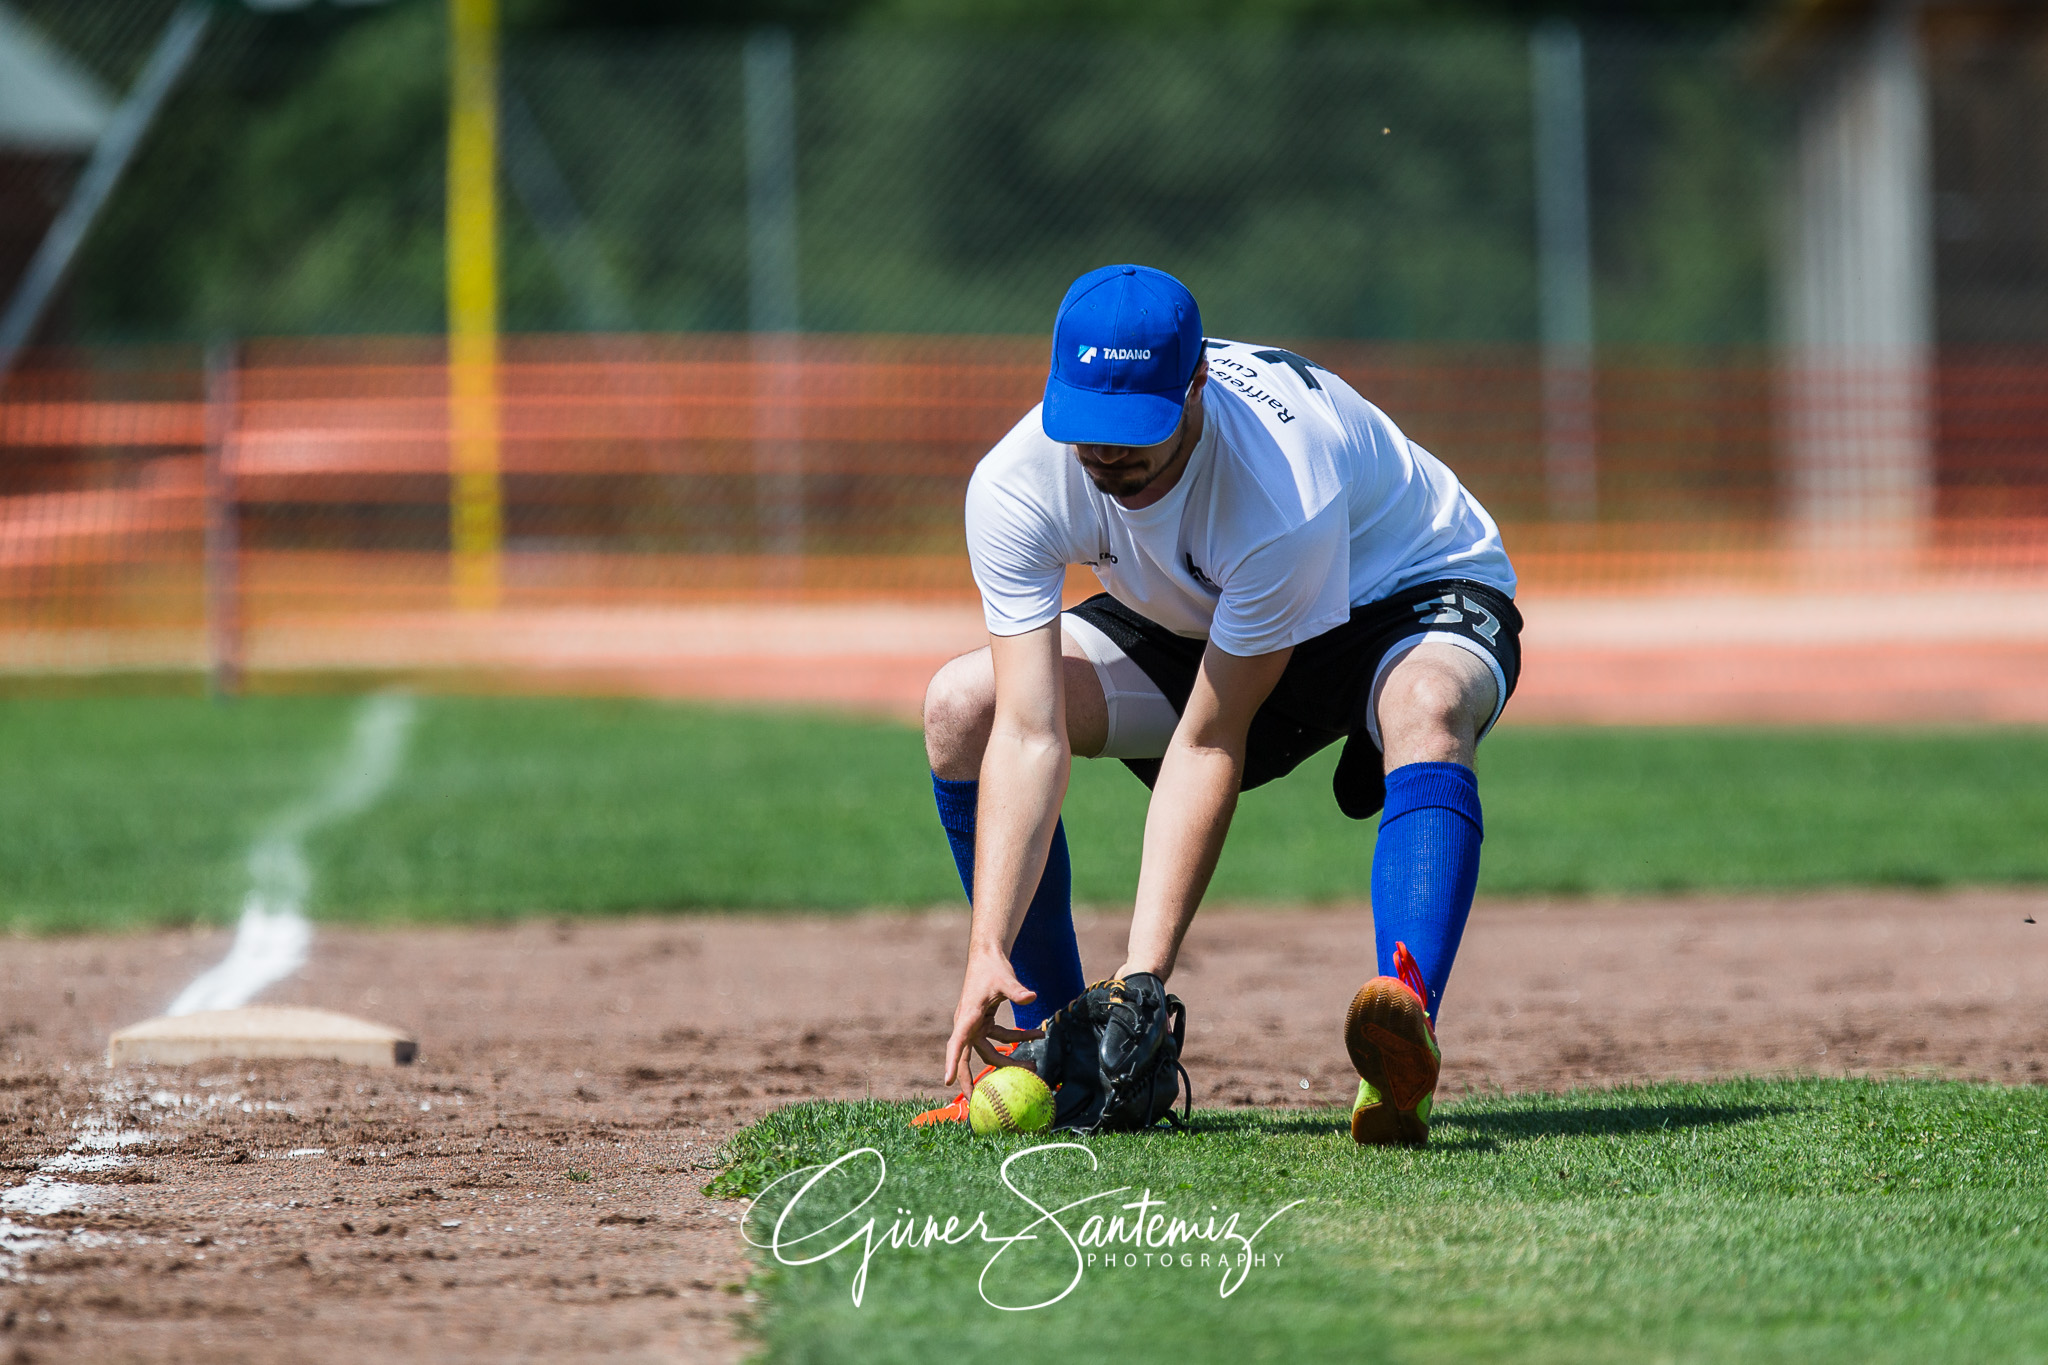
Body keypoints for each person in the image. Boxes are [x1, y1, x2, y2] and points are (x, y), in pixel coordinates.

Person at [917, 264, 1520, 1145]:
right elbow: (1026, 727)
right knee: (961, 705)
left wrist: (1143, 980)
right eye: (1088, 427)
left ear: (1195, 382)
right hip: (1207, 609)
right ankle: (1047, 1050)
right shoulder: (1018, 481)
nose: (1106, 456)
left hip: (1404, 590)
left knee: (1426, 703)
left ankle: (1404, 1037)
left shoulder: (1278, 487)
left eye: (1135, 432)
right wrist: (986, 947)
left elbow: (1209, 742)